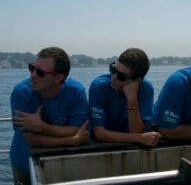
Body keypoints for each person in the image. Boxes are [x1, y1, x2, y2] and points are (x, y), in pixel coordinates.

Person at [10, 47, 90, 185]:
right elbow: (31, 139)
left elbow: (77, 128)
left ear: (58, 77)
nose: (33, 75)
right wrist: (72, 141)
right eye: (32, 68)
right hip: (25, 163)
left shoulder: (75, 92)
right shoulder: (22, 92)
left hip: (62, 163)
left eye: (40, 72)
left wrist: (42, 127)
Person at [89, 48, 161, 147]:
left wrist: (132, 99)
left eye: (121, 76)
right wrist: (139, 138)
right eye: (113, 69)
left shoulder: (145, 89)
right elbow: (99, 133)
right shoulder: (100, 87)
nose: (113, 77)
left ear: (137, 81)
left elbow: (137, 131)